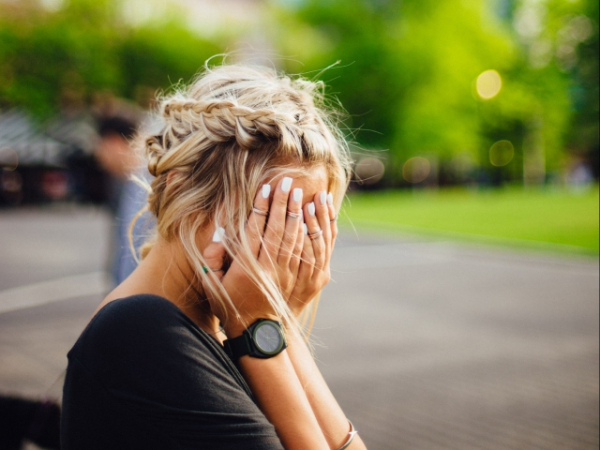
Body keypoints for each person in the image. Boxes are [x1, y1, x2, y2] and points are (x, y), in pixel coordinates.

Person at [61, 64, 368, 450]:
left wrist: (277, 325)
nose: (288, 249)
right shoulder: (140, 332)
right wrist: (260, 330)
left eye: (307, 223)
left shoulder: (229, 321)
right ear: (184, 192)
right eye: (270, 218)